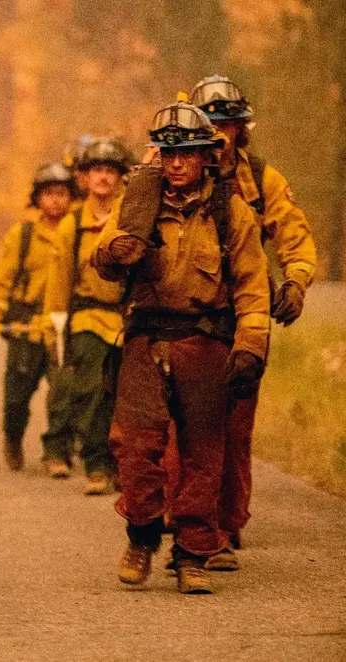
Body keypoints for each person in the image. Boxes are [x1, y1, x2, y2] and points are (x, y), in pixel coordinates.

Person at [94, 99, 270, 594]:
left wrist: (251, 345)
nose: (175, 164)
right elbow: (100, 260)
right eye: (168, 153)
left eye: (187, 153)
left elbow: (254, 285)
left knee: (204, 453)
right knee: (133, 445)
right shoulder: (138, 203)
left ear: (206, 157)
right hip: (146, 339)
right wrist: (116, 251)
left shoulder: (228, 211)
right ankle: (142, 533)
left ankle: (193, 552)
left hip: (206, 341)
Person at [189, 75, 318, 569]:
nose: (220, 134)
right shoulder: (171, 173)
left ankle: (224, 523)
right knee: (186, 425)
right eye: (211, 123)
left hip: (244, 316)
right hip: (188, 314)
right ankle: (188, 519)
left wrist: (296, 281)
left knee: (235, 427)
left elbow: (294, 236)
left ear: (242, 129)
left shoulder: (262, 179)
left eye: (229, 123)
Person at [0, 162, 74, 471]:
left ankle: (56, 453)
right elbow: (3, 277)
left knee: (64, 393)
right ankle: (12, 436)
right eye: (49, 194)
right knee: (17, 396)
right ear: (37, 198)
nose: (56, 200)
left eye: (62, 193)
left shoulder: (78, 232)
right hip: (25, 327)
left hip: (61, 327)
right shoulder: (23, 235)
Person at [41, 138, 130, 493]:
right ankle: (96, 465)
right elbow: (59, 281)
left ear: (121, 177)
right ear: (85, 177)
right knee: (91, 392)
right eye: (97, 170)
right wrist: (54, 326)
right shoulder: (71, 224)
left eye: (111, 170)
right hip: (87, 319)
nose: (104, 178)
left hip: (127, 321)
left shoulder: (131, 216)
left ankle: (125, 465)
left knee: (126, 397)